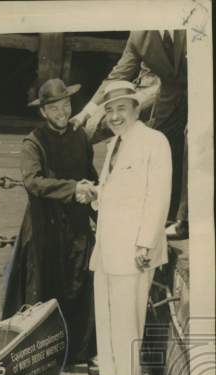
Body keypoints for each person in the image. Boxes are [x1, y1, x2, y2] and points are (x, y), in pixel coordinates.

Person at [87, 81, 172, 375]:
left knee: (128, 313)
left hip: (134, 247)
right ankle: (109, 370)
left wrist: (145, 243)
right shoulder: (114, 144)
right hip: (108, 244)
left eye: (121, 108)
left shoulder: (154, 141)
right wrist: (96, 193)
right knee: (106, 311)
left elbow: (158, 196)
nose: (114, 116)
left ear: (137, 109)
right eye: (109, 110)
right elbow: (117, 190)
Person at [2, 78, 98, 363]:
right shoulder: (33, 142)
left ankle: (78, 352)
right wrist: (73, 189)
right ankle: (38, 356)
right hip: (45, 227)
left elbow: (89, 174)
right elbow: (34, 182)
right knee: (42, 288)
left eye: (66, 104)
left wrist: (96, 198)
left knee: (80, 283)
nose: (62, 112)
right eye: (54, 108)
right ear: (43, 112)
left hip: (77, 225)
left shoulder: (80, 136)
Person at [71, 30, 187, 238]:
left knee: (192, 138)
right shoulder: (140, 35)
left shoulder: (194, 18)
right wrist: (84, 114)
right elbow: (118, 75)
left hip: (202, 94)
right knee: (160, 150)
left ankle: (185, 219)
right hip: (167, 100)